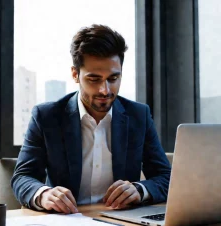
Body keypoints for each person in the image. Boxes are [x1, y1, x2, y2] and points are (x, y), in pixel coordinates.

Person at [11, 24, 171, 214]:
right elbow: (22, 177)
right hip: (66, 220)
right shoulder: (47, 117)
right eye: (94, 79)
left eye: (113, 79)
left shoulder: (139, 116)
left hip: (121, 219)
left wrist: (140, 190)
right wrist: (44, 194)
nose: (105, 90)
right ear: (75, 74)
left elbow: (165, 177)